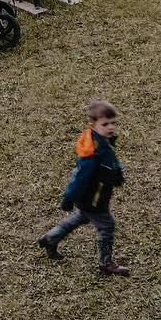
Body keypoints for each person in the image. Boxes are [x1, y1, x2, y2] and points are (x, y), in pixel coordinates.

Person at [36, 99, 129, 276]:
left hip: (92, 196)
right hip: (93, 199)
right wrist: (68, 197)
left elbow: (109, 163)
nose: (110, 127)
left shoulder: (101, 141)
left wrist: (116, 176)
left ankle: (50, 238)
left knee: (79, 218)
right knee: (106, 226)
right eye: (105, 124)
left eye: (113, 123)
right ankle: (105, 263)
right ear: (93, 125)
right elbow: (79, 177)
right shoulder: (92, 153)